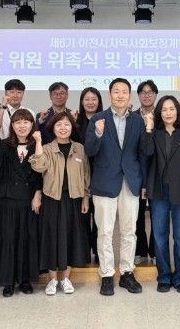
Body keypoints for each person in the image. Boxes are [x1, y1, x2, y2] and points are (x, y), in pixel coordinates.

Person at [85, 77, 149, 296]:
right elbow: (89, 150)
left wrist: (143, 183)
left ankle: (127, 273)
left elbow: (143, 154)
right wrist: (98, 133)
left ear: (129, 96)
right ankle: (106, 274)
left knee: (129, 231)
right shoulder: (98, 119)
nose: (120, 95)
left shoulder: (138, 121)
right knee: (105, 231)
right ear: (109, 94)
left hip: (130, 182)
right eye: (116, 91)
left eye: (124, 92)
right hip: (104, 182)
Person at [142, 96, 180, 294]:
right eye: (164, 109)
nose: (168, 113)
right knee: (159, 236)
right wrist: (149, 127)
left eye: (171, 109)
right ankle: (164, 277)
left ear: (177, 111)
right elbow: (147, 153)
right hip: (158, 191)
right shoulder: (153, 134)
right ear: (159, 112)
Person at [30, 112, 91, 295]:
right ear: (53, 128)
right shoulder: (47, 148)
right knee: (51, 239)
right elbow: (38, 166)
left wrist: (86, 197)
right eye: (58, 125)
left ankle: (65, 279)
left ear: (72, 127)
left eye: (66, 124)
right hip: (52, 199)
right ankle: (52, 280)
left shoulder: (79, 148)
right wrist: (38, 142)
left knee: (71, 238)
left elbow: (86, 174)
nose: (63, 128)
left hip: (74, 199)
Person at [0, 109, 42, 297]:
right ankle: (7, 281)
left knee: (27, 239)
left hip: (28, 199)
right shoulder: (4, 144)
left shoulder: (36, 145)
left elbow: (40, 171)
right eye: (18, 122)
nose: (22, 125)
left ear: (32, 125)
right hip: (7, 200)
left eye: (26, 122)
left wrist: (38, 194)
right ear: (12, 125)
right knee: (8, 240)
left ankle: (25, 280)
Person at [71, 87, 103, 263]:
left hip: (100, 173)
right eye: (87, 99)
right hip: (79, 174)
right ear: (82, 102)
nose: (90, 102)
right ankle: (82, 254)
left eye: (94, 99)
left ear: (99, 101)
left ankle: (98, 252)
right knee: (82, 216)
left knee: (99, 216)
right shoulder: (75, 123)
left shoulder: (105, 120)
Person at [134, 79, 158, 265]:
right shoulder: (132, 117)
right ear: (138, 95)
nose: (147, 95)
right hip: (137, 170)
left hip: (159, 170)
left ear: (155, 95)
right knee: (137, 214)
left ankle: (156, 251)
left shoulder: (164, 114)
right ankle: (140, 250)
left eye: (150, 92)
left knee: (158, 213)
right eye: (143, 92)